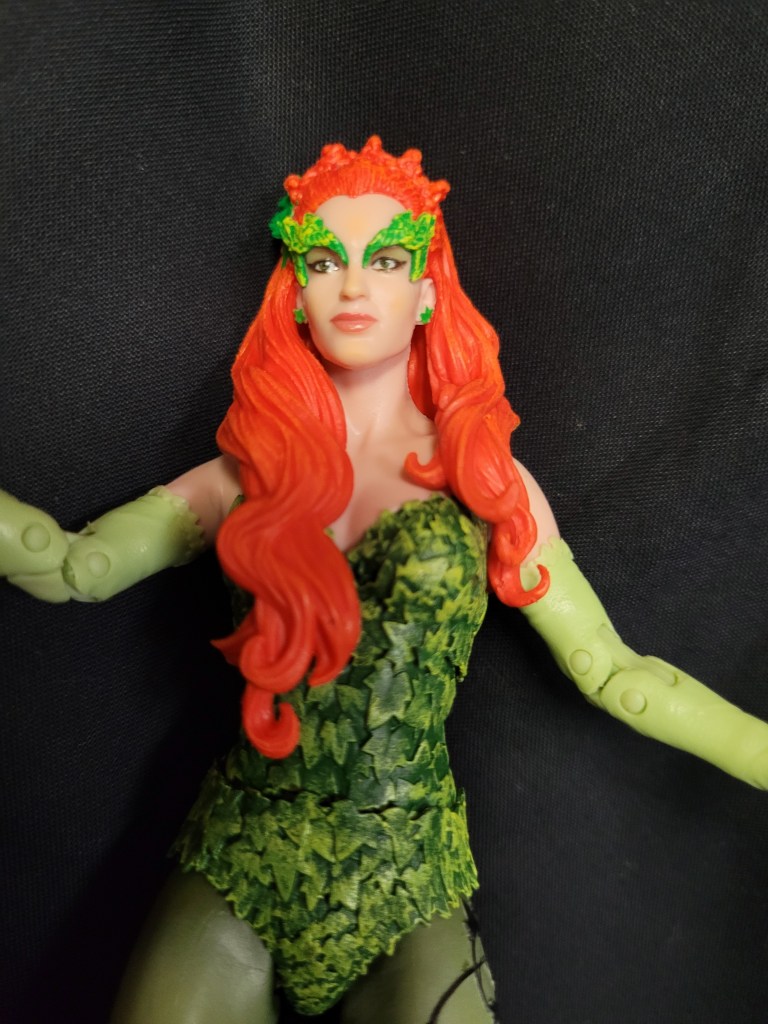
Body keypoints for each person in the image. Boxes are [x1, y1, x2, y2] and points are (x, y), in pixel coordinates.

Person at [2, 137, 767, 1024]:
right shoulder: (245, 472)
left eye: (388, 260)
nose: (355, 287)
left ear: (428, 289)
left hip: (410, 877)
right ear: (296, 291)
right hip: (238, 858)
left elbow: (612, 671)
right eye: (325, 261)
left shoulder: (484, 480)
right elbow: (76, 567)